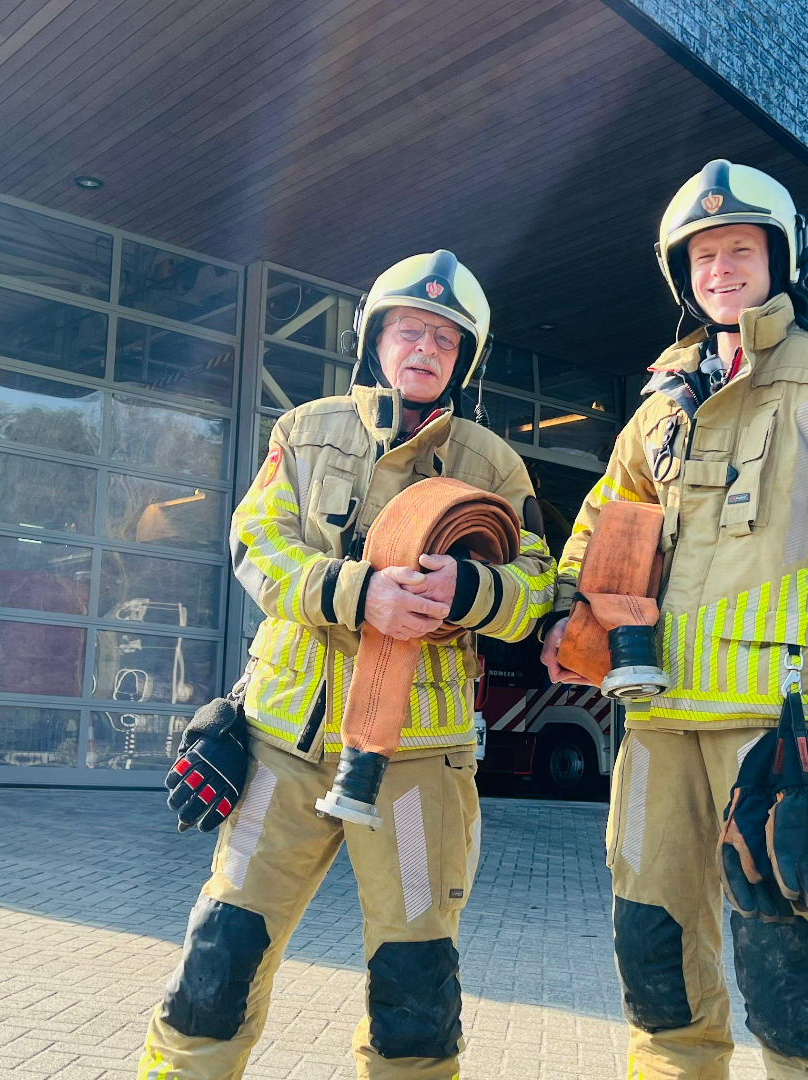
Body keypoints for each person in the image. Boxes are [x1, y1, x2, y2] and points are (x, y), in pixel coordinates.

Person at [541, 160, 808, 1079]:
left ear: (780, 258)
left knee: (788, 976)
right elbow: (606, 522)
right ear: (685, 274)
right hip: (657, 719)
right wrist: (568, 614)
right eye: (704, 255)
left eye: (741, 249)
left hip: (777, 727)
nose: (722, 268)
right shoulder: (659, 405)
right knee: (654, 956)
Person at [138, 250, 557, 1080]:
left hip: (416, 768)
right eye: (410, 329)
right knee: (220, 956)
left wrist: (469, 587)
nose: (426, 348)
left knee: (415, 987)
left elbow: (536, 586)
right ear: (375, 340)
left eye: (445, 338)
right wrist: (352, 591)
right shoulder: (304, 431)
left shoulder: (494, 466)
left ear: (463, 361)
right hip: (283, 747)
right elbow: (256, 544)